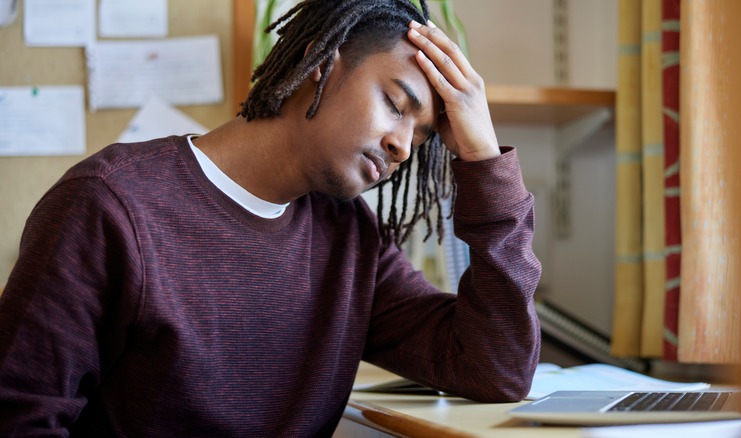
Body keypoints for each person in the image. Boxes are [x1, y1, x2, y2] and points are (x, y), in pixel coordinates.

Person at [0, 0, 542, 435]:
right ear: (318, 66)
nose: (402, 146)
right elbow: (18, 417)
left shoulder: (349, 235)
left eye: (422, 139)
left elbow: (494, 368)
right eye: (396, 105)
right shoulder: (109, 205)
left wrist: (484, 161)